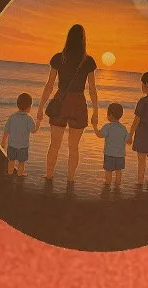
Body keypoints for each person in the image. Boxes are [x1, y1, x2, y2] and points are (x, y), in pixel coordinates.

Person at [36, 22, 99, 186]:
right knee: (74, 148)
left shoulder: (58, 58)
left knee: (54, 146)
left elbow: (49, 85)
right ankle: (70, 181)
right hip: (78, 103)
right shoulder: (88, 61)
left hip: (60, 101)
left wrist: (41, 107)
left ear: (68, 38)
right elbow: (92, 89)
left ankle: (48, 178)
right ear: (83, 39)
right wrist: (96, 111)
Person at [1, 92, 36, 179]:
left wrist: (3, 142)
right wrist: (38, 122)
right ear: (29, 107)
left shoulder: (12, 117)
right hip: (23, 146)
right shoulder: (28, 118)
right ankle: (20, 175)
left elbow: (6, 130)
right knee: (21, 162)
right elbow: (33, 130)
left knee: (11, 161)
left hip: (12, 145)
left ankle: (10, 174)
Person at [97, 102, 129, 192]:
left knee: (108, 171)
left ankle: (107, 185)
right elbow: (128, 141)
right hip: (120, 155)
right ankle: (117, 186)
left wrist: (95, 127)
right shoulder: (123, 128)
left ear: (110, 115)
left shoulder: (108, 126)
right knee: (119, 171)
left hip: (109, 154)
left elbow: (100, 135)